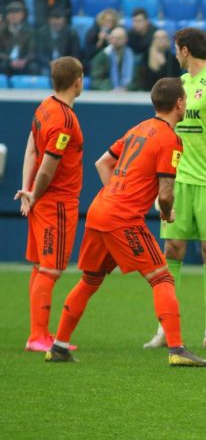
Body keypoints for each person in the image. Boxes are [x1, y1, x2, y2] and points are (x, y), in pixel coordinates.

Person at [45, 78, 206, 366]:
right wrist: (166, 212)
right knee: (162, 278)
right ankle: (177, 350)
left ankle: (58, 346)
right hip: (122, 217)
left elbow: (102, 163)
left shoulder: (138, 128)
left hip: (99, 210)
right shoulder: (171, 139)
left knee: (89, 280)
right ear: (179, 103)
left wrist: (115, 194)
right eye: (185, 100)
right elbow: (166, 193)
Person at [143, 28, 206, 352]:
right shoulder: (178, 85)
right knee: (172, 250)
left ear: (184, 50)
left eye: (176, 48)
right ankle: (164, 328)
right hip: (179, 181)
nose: (175, 54)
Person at [14, 57, 84, 353]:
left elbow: (31, 148)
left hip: (41, 198)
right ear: (77, 81)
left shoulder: (45, 106)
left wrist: (28, 190)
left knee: (40, 267)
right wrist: (35, 192)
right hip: (57, 202)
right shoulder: (64, 120)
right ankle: (37, 337)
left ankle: (39, 332)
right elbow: (48, 167)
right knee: (51, 269)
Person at [35, 7, 81, 71]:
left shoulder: (71, 34)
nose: (56, 24)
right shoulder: (42, 33)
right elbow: (39, 53)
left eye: (59, 23)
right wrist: (49, 62)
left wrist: (64, 63)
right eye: (54, 23)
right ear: (49, 21)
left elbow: (75, 54)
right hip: (46, 65)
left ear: (64, 21)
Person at [90, 26, 135, 90]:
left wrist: (127, 88)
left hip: (130, 93)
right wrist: (109, 89)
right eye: (113, 38)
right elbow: (95, 80)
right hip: (108, 92)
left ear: (126, 39)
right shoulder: (103, 56)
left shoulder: (133, 56)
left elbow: (138, 80)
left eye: (119, 38)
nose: (115, 41)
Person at [0, 1, 37, 75]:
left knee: (34, 67)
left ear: (22, 15)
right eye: (10, 13)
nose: (13, 16)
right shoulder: (1, 31)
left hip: (24, 62)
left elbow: (32, 51)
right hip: (6, 61)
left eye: (16, 13)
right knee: (3, 66)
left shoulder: (30, 32)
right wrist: (10, 60)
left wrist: (24, 60)